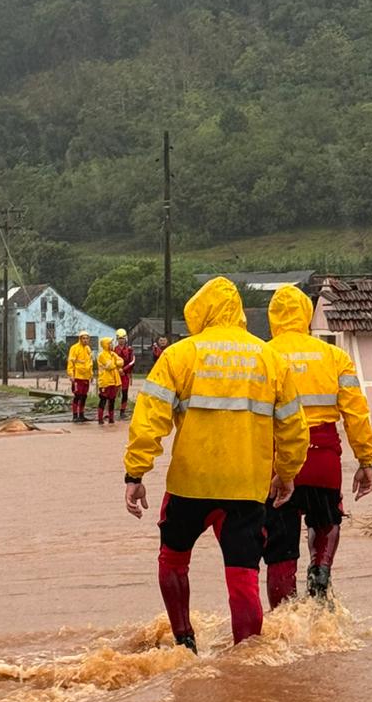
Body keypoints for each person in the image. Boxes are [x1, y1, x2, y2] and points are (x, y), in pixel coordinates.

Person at [123, 278, 308, 652]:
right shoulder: (270, 358)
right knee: (242, 577)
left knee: (172, 561)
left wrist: (136, 473)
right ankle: (249, 659)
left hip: (189, 485)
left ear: (201, 311)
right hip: (246, 487)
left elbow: (149, 420)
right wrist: (286, 473)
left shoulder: (179, 356)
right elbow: (293, 427)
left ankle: (183, 640)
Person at [262, 285, 372, 605]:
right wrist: (366, 460)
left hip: (277, 462)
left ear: (272, 317)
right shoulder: (334, 356)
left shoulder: (262, 355)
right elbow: (356, 413)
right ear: (308, 315)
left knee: (279, 546)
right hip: (324, 459)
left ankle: (286, 619)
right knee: (327, 520)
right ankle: (320, 568)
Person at [66, 331, 94, 423]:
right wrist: (71, 375)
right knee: (77, 396)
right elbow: (71, 362)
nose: (85, 340)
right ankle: (75, 415)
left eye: (87, 338)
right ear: (80, 338)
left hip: (86, 377)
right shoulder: (74, 348)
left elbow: (90, 363)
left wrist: (91, 375)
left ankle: (81, 414)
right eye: (83, 338)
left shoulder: (88, 349)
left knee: (84, 396)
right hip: (77, 376)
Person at [96, 336, 124, 425]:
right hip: (104, 381)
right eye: (110, 343)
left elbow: (121, 361)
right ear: (105, 345)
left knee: (112, 400)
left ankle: (111, 418)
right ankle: (100, 419)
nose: (112, 345)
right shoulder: (101, 355)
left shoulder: (112, 354)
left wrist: (116, 363)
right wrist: (116, 364)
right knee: (103, 399)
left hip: (113, 381)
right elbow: (109, 366)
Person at [114, 328, 136, 419]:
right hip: (115, 374)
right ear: (117, 339)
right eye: (119, 339)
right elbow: (112, 361)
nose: (121, 341)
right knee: (112, 393)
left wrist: (124, 370)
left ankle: (122, 412)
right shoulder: (114, 349)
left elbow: (132, 362)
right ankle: (109, 411)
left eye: (123, 339)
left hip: (125, 374)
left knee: (125, 393)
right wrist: (118, 370)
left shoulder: (129, 350)